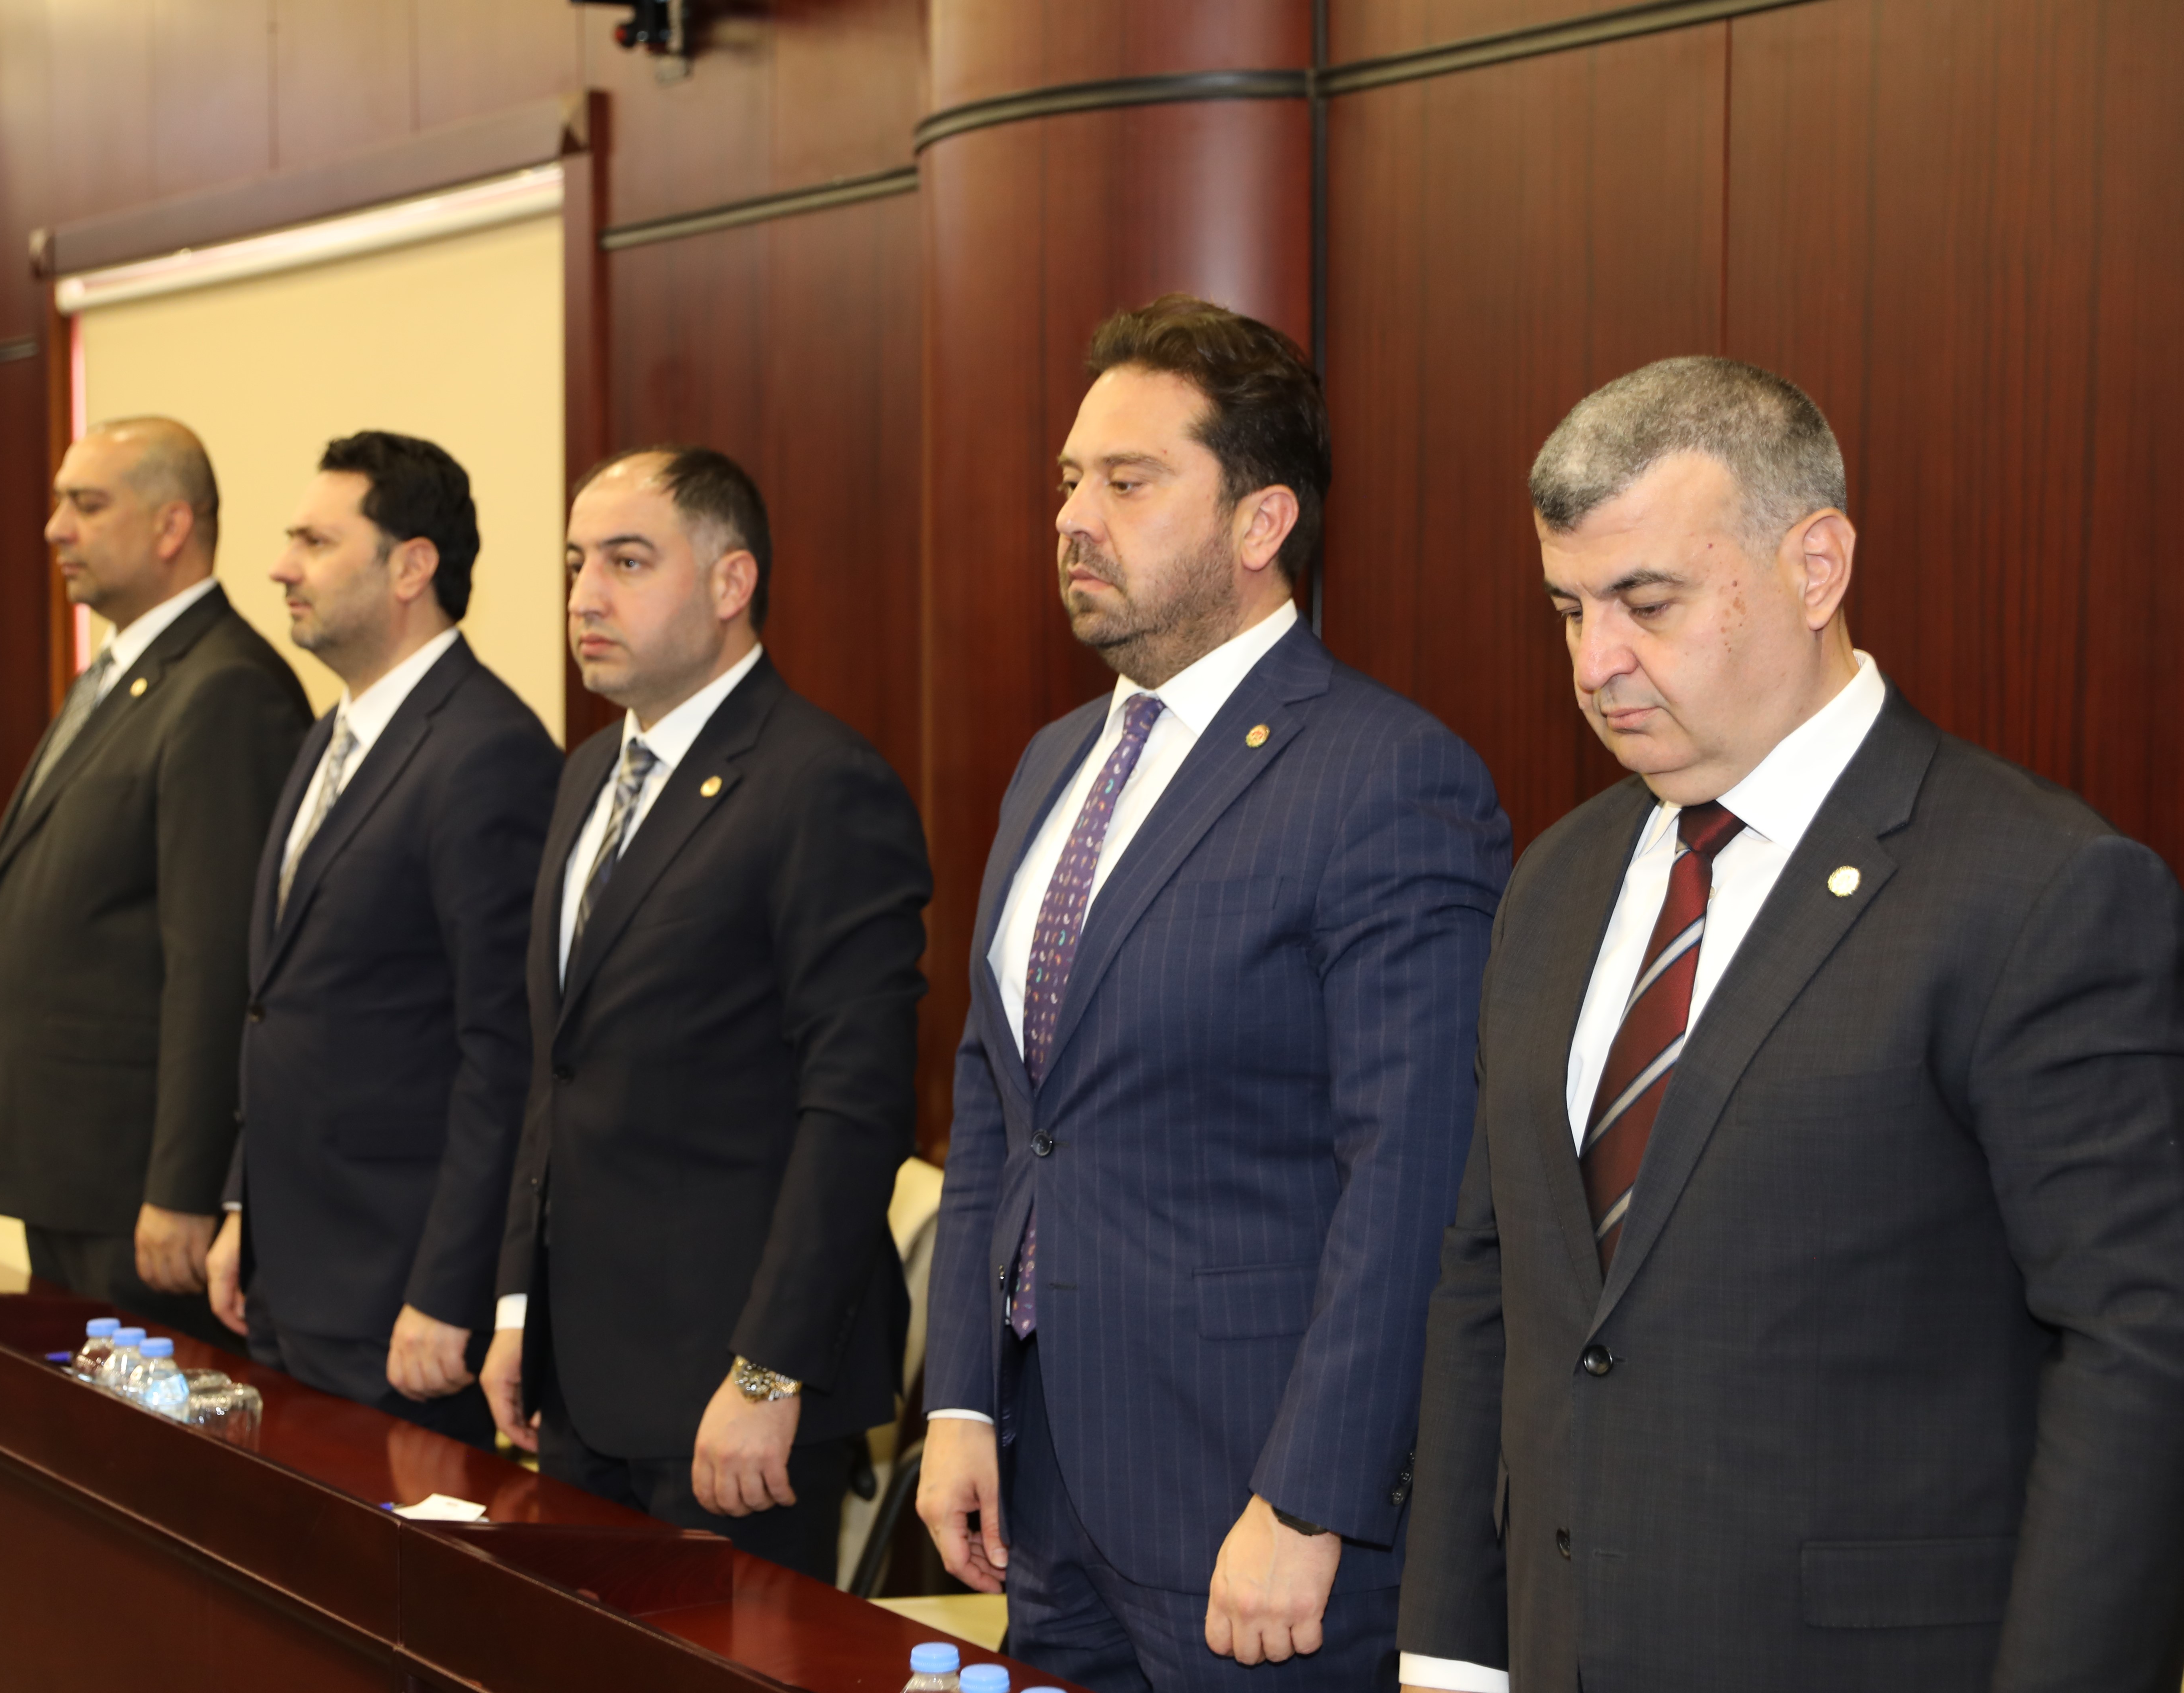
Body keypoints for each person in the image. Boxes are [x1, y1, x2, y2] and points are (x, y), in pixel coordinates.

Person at [1397, 358, 2184, 1693]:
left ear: (1815, 566)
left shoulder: (2040, 889)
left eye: (1647, 603)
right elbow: (1494, 1280)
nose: (1595, 662)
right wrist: (1452, 1653)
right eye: (1568, 610)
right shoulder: (1557, 880)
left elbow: (2134, 1349)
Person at [915, 295, 1510, 1693]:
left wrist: (1310, 1497)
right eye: (1069, 479)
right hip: (1048, 1496)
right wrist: (959, 1400)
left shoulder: (1384, 776)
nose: (1073, 518)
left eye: (1127, 483)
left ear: (1260, 523)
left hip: (1255, 1509)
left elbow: (1412, 1177)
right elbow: (998, 1103)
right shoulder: (1051, 762)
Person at [478, 446, 931, 1581]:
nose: (586, 595)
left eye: (628, 561)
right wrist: (520, 1303)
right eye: (576, 563)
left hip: (736, 1391)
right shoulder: (588, 774)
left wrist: (770, 1372)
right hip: (584, 1376)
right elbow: (557, 1069)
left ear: (733, 583)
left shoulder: (819, 781)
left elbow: (855, 1108)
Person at [203, 432, 556, 1444]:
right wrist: (242, 1210)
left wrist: (449, 1288)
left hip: (396, 1296)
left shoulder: (487, 751)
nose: (282, 567)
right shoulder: (334, 731)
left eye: (316, 542)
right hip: (291, 1271)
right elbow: (280, 1001)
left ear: (411, 566)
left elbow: (504, 1052)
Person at [0, 416, 309, 1344]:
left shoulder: (225, 686)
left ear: (171, 526)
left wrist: (185, 1184)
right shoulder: (120, 671)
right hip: (68, 1167)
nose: (56, 528)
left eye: (87, 504)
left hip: (139, 1191)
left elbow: (216, 963)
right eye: (59, 503)